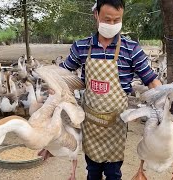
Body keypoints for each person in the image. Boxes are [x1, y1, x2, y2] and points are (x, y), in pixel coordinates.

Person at [59, 0, 161, 179]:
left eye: (117, 20)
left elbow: (152, 81)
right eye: (108, 19)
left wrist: (166, 105)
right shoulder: (81, 47)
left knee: (114, 173)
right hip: (91, 125)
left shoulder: (132, 50)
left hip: (116, 125)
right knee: (93, 171)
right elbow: (62, 74)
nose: (112, 24)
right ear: (96, 15)